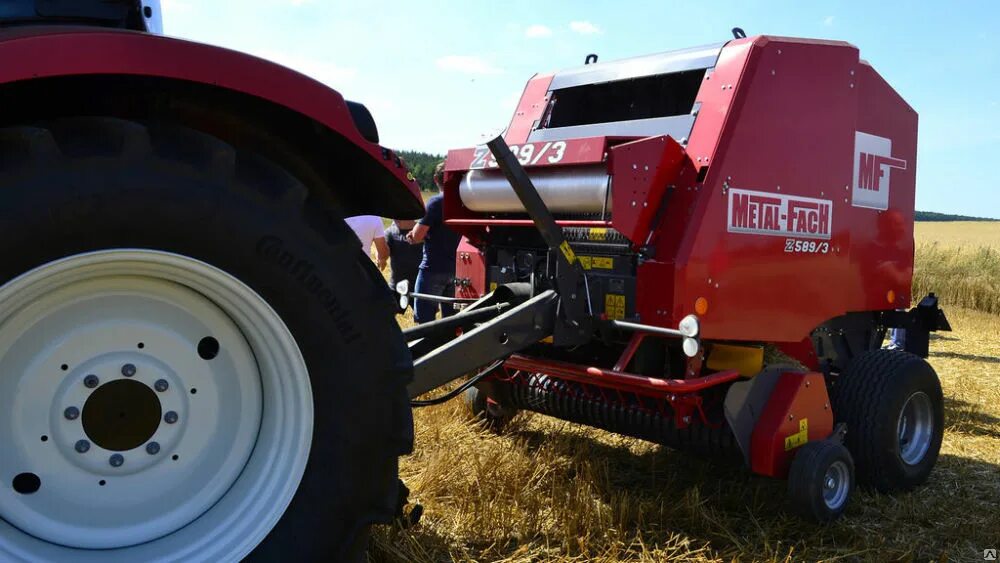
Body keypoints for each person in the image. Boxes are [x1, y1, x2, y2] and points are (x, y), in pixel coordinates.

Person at [407, 164, 461, 323]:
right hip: (457, 271)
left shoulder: (436, 202)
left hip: (433, 269)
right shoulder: (463, 202)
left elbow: (417, 236)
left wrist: (412, 236)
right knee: (451, 321)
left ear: (436, 179)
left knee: (424, 319)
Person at [384, 218, 423, 305]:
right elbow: (383, 255)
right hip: (397, 286)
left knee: (424, 317)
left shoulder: (421, 231)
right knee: (387, 315)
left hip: (419, 287)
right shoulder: (390, 233)